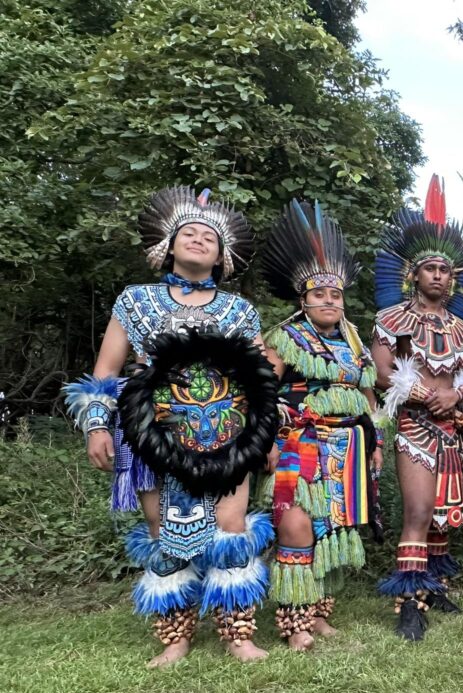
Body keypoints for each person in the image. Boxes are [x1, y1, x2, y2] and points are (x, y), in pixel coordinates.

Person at [63, 187, 275, 667]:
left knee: (231, 528)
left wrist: (267, 437)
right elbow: (106, 371)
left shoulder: (240, 311)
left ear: (222, 255)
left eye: (209, 237)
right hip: (150, 434)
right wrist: (98, 426)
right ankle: (175, 638)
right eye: (190, 232)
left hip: (226, 431)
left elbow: (261, 380)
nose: (199, 240)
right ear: (169, 244)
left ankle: (237, 634)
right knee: (164, 533)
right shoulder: (135, 302)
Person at [371, 175, 463, 641]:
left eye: (445, 269)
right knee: (419, 510)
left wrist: (460, 399)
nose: (438, 276)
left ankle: (434, 584)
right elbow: (383, 371)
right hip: (415, 425)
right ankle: (409, 602)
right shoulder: (393, 318)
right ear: (414, 275)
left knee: (445, 513)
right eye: (430, 269)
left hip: (452, 430)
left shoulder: (462, 328)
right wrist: (427, 395)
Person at [259, 200, 384, 650]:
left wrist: (376, 443)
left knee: (333, 529)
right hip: (301, 444)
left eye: (335, 295)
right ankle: (294, 623)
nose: (329, 301)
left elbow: (369, 397)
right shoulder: (283, 339)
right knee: (297, 526)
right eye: (319, 295)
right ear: (303, 300)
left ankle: (317, 613)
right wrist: (267, 439)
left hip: (348, 445)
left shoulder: (354, 340)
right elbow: (261, 391)